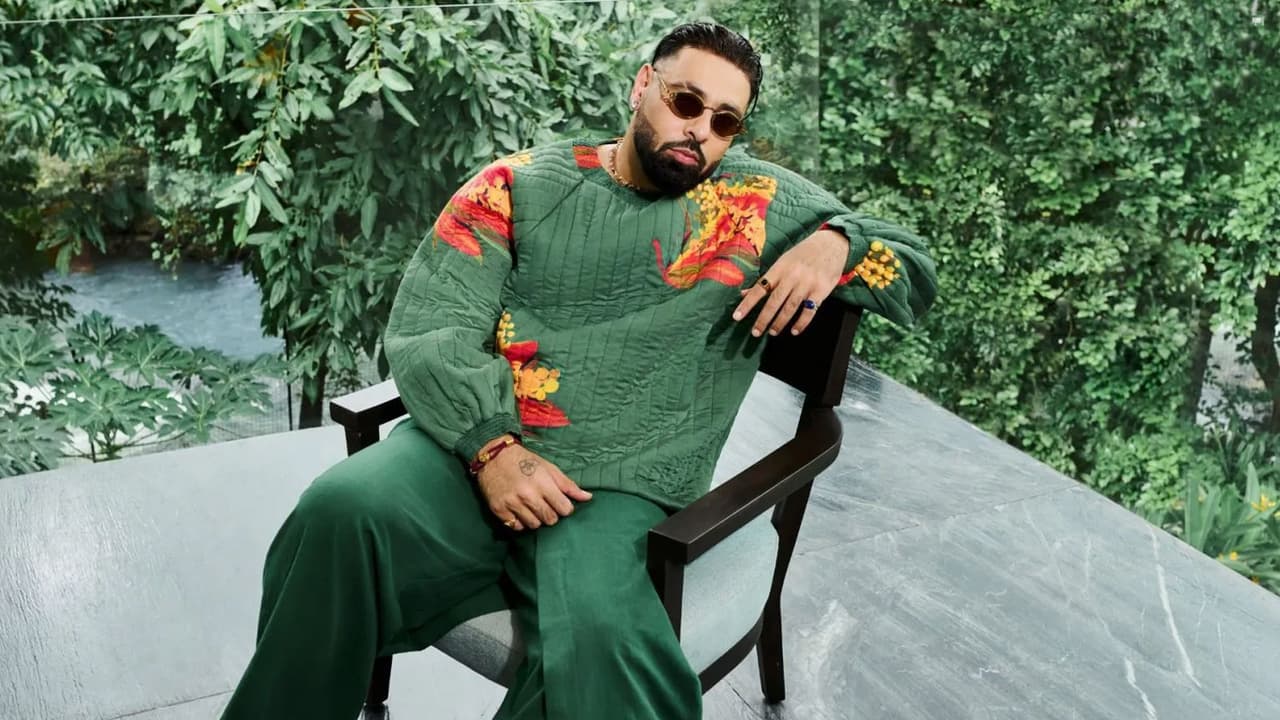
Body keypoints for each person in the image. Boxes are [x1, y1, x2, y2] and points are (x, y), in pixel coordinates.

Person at [220, 21, 936, 720]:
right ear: (642, 85)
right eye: (686, 102)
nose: (700, 131)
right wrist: (492, 450)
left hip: (624, 486)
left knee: (601, 647)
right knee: (339, 510)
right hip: (474, 448)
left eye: (725, 122)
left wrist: (838, 243)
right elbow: (433, 326)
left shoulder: (757, 203)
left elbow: (914, 271)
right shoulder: (520, 186)